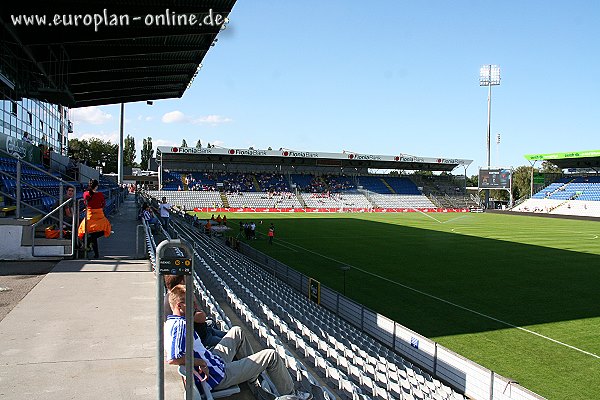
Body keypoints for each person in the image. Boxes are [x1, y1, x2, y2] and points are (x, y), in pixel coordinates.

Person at [164, 286, 310, 399]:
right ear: (180, 306)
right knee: (271, 355)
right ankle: (293, 394)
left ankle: (253, 376)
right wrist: (201, 363)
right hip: (218, 375)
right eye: (192, 304)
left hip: (214, 361)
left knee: (237, 331)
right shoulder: (180, 326)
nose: (196, 307)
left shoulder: (173, 322)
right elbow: (173, 358)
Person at [163, 278, 225, 347]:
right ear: (181, 281)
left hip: (206, 330)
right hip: (204, 338)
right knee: (231, 340)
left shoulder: (170, 297)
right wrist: (195, 306)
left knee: (229, 333)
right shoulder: (179, 299)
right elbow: (201, 317)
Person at [77, 179, 112, 258]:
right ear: (96, 186)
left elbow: (85, 203)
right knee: (106, 228)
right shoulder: (100, 194)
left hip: (90, 215)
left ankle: (90, 245)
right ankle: (94, 249)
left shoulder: (86, 194)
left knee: (86, 231)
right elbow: (103, 204)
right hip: (99, 215)